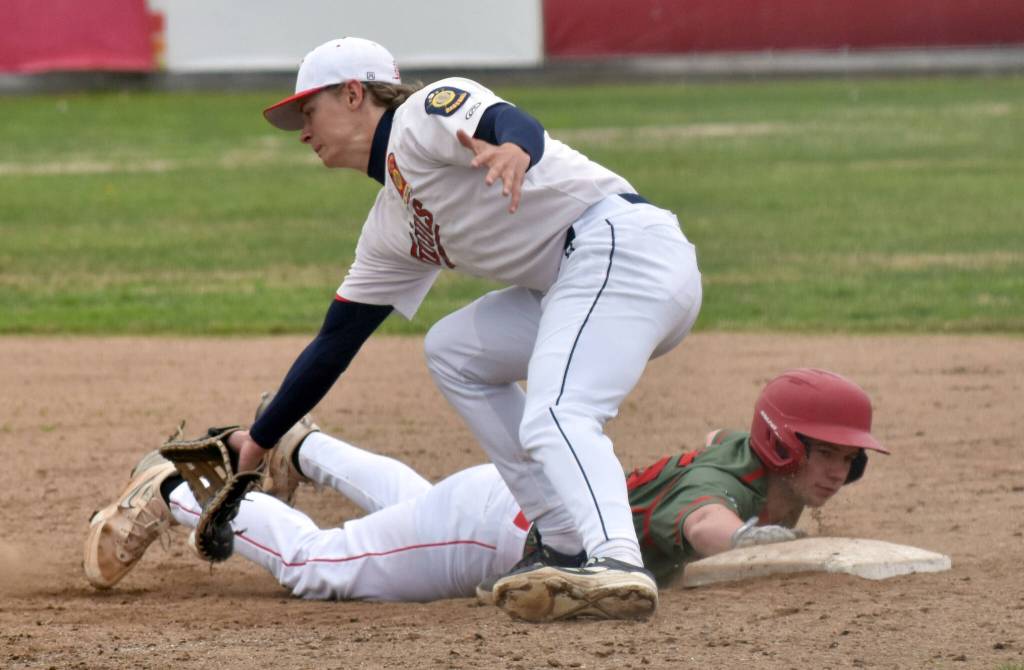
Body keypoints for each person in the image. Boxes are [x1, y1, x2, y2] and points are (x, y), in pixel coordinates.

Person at [221, 37, 703, 619]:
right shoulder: (390, 226)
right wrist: (260, 438)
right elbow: (334, 342)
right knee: (453, 351)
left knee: (556, 413)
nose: (303, 130)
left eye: (309, 110)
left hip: (624, 250)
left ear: (354, 94)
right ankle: (561, 537)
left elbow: (507, 120)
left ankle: (616, 560)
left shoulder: (417, 119)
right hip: (583, 281)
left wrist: (517, 151)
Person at [84, 369, 888, 621]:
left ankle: (306, 447)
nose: (838, 472)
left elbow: (716, 448)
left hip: (502, 502)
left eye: (849, 461)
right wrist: (765, 548)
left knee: (416, 510)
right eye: (827, 454)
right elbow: (705, 520)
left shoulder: (743, 454)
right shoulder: (728, 488)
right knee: (320, 566)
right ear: (783, 444)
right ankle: (183, 488)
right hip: (498, 533)